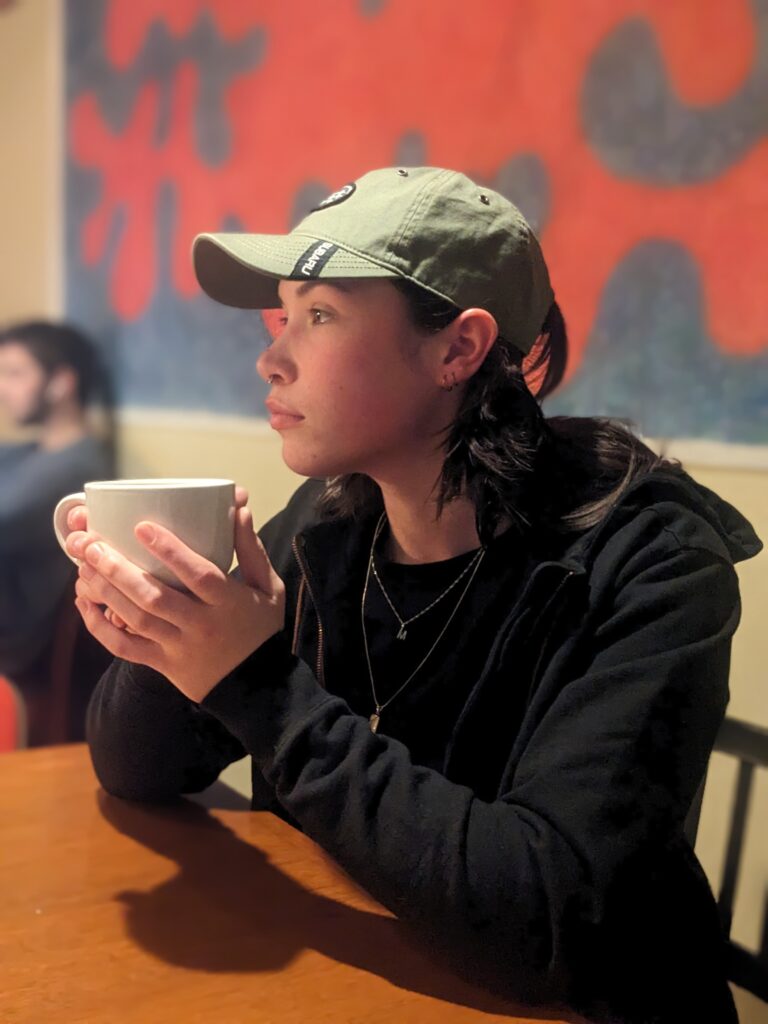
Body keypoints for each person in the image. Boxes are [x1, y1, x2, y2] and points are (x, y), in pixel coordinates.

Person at [67, 168, 761, 1023]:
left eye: (317, 316)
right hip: (359, 976)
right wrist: (164, 633)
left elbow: (544, 920)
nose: (271, 356)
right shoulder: (328, 521)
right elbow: (133, 770)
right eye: (282, 316)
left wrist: (255, 685)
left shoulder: (649, 558)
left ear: (457, 350)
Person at [0, 320, 114, 741]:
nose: (3, 388)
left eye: (14, 373)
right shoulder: (26, 453)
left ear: (61, 383)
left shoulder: (74, 469)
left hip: (18, 645)